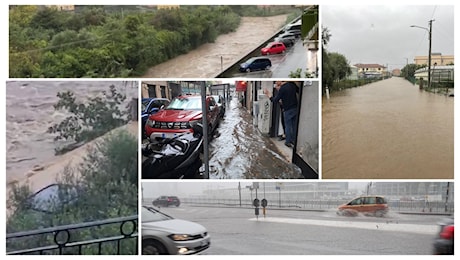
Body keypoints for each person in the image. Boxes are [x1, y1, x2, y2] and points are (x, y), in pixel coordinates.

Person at [264, 81, 298, 148]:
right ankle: (294, 140)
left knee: (287, 125)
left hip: (287, 109)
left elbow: (275, 100)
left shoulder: (283, 88)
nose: (276, 83)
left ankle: (288, 141)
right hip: (295, 108)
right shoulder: (292, 84)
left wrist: (269, 95)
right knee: (294, 125)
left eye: (277, 81)